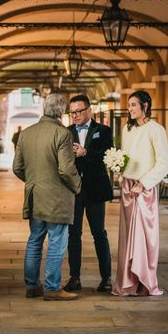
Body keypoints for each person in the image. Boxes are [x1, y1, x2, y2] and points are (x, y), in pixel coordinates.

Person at [13, 93, 82, 301]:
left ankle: (33, 286)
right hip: (57, 198)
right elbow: (66, 169)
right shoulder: (62, 134)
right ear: (61, 112)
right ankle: (52, 288)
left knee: (34, 240)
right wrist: (77, 186)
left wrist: (34, 181)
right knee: (56, 242)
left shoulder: (26, 133)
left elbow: (17, 168)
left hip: (35, 196)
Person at [113, 90, 168, 296]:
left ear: (145, 106)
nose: (129, 109)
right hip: (128, 188)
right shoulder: (127, 129)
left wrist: (144, 184)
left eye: (133, 105)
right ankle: (128, 283)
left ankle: (145, 282)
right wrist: (121, 171)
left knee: (144, 237)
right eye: (129, 105)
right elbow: (126, 157)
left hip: (144, 191)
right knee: (127, 237)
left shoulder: (156, 130)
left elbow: (165, 163)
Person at [63, 95, 113, 293]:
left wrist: (86, 153)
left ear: (88, 110)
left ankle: (106, 278)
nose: (74, 115)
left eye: (78, 111)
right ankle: (74, 277)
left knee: (99, 233)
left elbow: (107, 157)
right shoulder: (65, 133)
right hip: (73, 190)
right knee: (73, 234)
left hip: (95, 188)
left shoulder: (104, 131)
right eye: (72, 112)